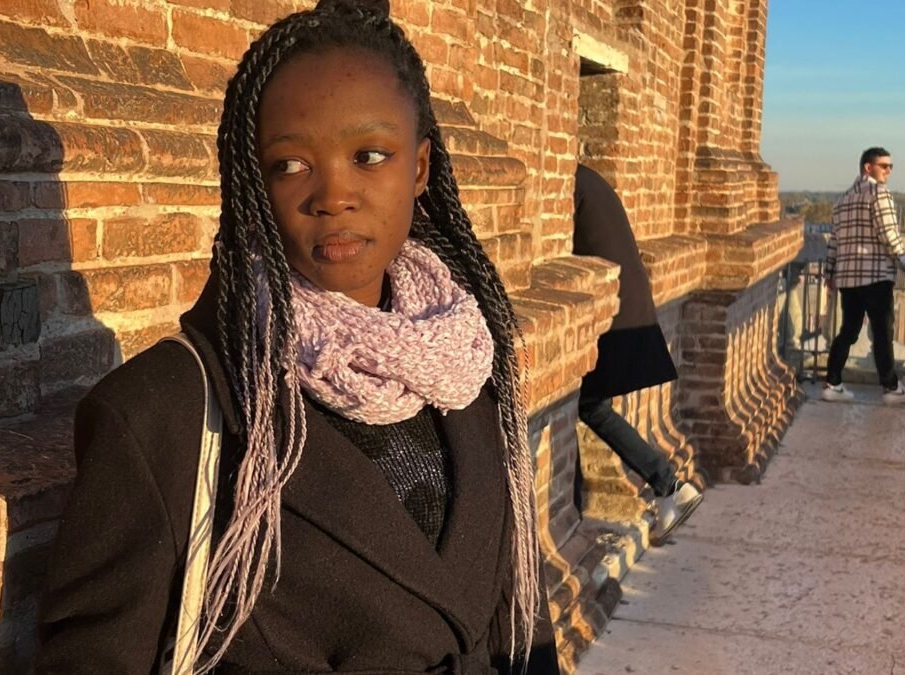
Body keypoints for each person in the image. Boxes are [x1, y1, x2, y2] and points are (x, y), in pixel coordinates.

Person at [34, 1, 560, 672]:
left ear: (420, 166)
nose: (333, 195)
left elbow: (519, 618)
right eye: (290, 164)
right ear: (256, 181)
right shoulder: (162, 415)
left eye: (370, 156)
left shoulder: (470, 366)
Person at [572, 164, 702, 546]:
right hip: (626, 306)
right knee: (587, 406)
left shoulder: (566, 183)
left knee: (587, 406)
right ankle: (667, 487)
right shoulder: (590, 179)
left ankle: (667, 485)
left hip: (616, 313)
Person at [821, 147, 905, 405]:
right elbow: (889, 234)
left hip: (848, 278)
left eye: (890, 166)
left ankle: (832, 383)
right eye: (884, 166)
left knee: (848, 331)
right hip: (876, 275)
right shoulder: (879, 193)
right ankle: (891, 387)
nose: (889, 171)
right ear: (868, 167)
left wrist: (829, 272)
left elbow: (834, 242)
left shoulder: (842, 200)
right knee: (882, 332)